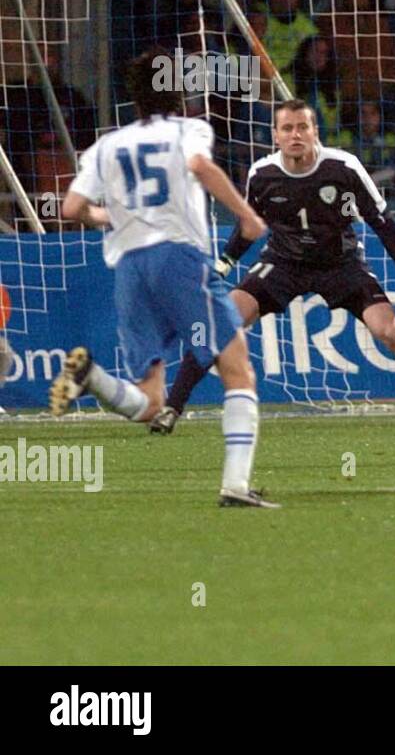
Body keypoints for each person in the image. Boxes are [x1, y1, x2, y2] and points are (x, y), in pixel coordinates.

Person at [152, 100, 395, 436]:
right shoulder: (262, 174)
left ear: (315, 132)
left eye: (303, 127)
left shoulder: (343, 167)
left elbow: (381, 220)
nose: (296, 134)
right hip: (282, 261)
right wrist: (220, 269)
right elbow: (248, 227)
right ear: (275, 136)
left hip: (341, 263)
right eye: (288, 128)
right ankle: (171, 408)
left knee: (389, 332)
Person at [50, 55, 275, 508]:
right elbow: (202, 168)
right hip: (179, 259)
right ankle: (234, 485)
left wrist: (106, 215)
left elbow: (70, 208)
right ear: (175, 90)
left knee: (151, 402)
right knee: (238, 371)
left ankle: (91, 376)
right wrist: (248, 218)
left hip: (130, 270)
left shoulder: (106, 146)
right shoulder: (188, 130)